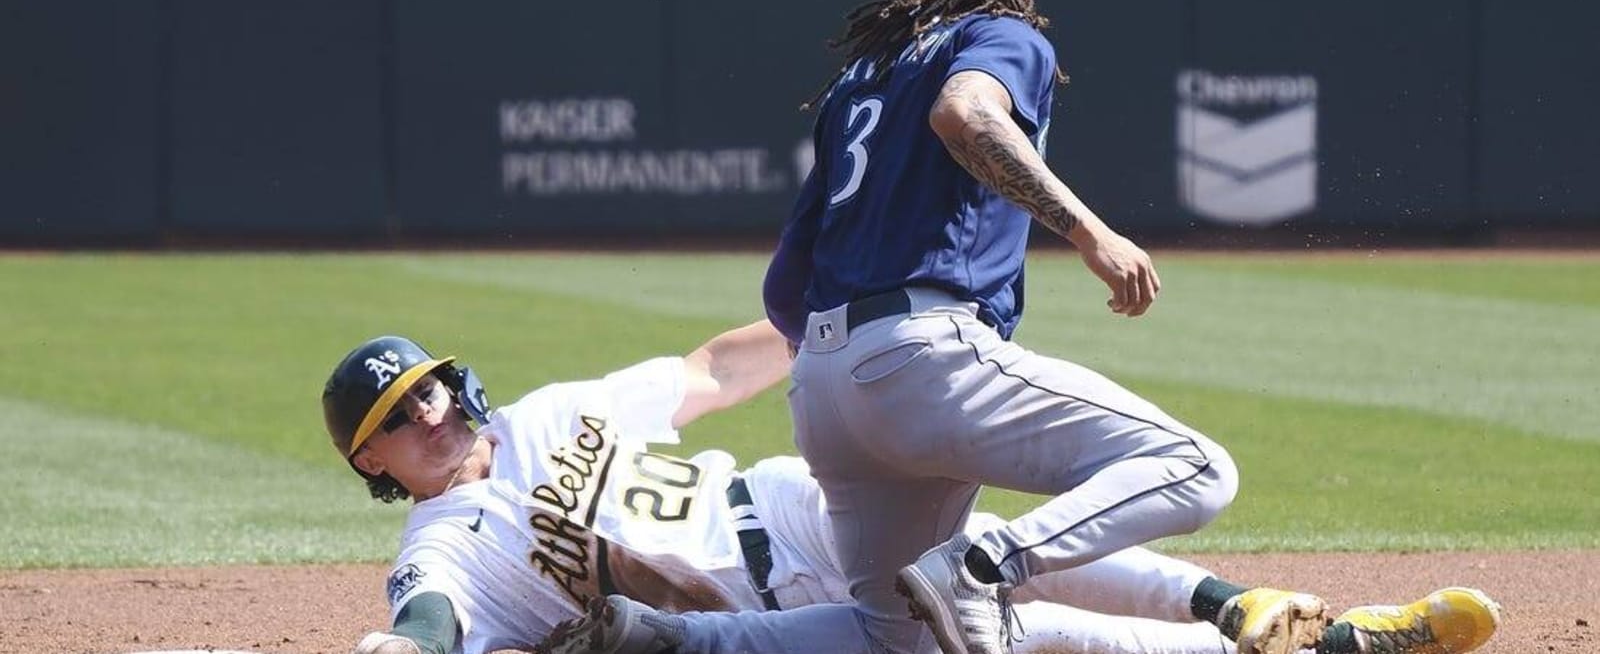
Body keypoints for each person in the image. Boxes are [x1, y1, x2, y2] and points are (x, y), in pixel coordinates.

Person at [756, 0, 1327, 654]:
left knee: (891, 638)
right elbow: (965, 112)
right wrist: (1090, 232)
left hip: (822, 385)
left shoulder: (858, 79)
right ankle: (983, 566)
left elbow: (783, 285)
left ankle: (662, 635)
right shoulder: (1005, 33)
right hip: (921, 358)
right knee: (1194, 468)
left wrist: (838, 367)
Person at [322, 324, 1500, 654]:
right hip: (759, 614)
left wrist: (827, 316)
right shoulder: (448, 543)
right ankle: (1335, 642)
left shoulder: (547, 412)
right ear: (370, 461)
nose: (426, 413)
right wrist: (403, 645)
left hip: (782, 499)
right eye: (395, 417)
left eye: (425, 389)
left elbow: (709, 370)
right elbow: (427, 618)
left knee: (1000, 554)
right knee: (1016, 627)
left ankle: (1235, 604)